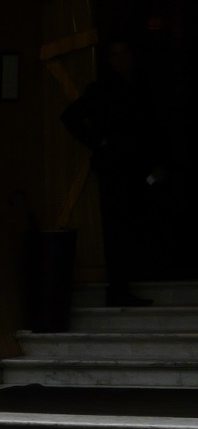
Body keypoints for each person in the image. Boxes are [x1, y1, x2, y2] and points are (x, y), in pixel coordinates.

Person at [61, 39, 167, 306]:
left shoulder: (140, 88)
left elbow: (151, 128)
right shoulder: (103, 90)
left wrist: (156, 163)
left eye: (125, 54)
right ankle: (118, 288)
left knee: (136, 223)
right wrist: (98, 143)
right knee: (118, 227)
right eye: (115, 55)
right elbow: (70, 116)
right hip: (116, 169)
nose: (121, 60)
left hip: (138, 168)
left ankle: (131, 280)